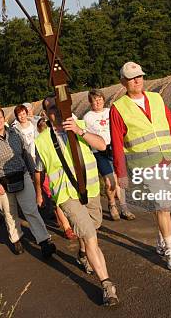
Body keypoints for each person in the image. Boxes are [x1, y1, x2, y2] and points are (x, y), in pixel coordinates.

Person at [110, 62, 171, 271]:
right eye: (131, 78)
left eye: (139, 76)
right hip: (144, 165)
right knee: (162, 204)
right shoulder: (118, 108)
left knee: (166, 203)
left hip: (165, 160)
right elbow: (117, 143)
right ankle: (170, 249)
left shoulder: (157, 99)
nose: (137, 80)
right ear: (123, 82)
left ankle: (160, 240)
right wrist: (121, 173)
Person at [35, 96, 119, 306]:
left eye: (60, 106)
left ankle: (83, 253)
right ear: (46, 114)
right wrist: (38, 192)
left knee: (94, 227)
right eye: (52, 108)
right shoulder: (42, 140)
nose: (57, 110)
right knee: (90, 235)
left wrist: (80, 131)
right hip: (66, 194)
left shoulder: (80, 125)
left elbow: (101, 146)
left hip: (89, 190)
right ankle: (107, 285)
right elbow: (39, 170)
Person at [0, 105, 56, 257]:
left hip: (22, 175)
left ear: (4, 118)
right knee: (9, 212)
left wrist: (34, 173)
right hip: (1, 182)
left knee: (31, 210)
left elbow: (26, 154)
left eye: (0, 117)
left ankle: (44, 241)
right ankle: (16, 239)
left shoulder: (15, 133)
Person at [83, 89, 136, 222]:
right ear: (90, 102)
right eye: (95, 100)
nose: (98, 101)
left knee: (120, 179)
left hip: (114, 148)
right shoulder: (87, 117)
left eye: (100, 98)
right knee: (109, 182)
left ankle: (124, 207)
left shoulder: (109, 112)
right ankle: (112, 204)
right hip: (100, 152)